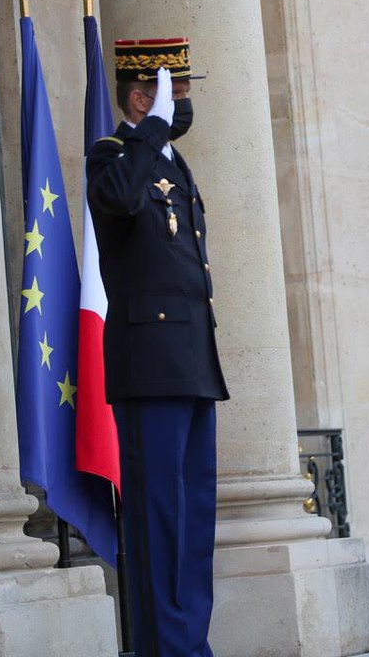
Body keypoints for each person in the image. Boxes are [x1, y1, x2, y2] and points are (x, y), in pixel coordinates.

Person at [86, 38, 226, 656]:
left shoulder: (170, 164)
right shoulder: (115, 156)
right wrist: (150, 131)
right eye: (179, 91)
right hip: (149, 366)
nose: (186, 102)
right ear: (144, 98)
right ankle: (163, 647)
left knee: (194, 521)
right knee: (158, 518)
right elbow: (117, 199)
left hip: (192, 361)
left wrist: (159, 138)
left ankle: (189, 643)